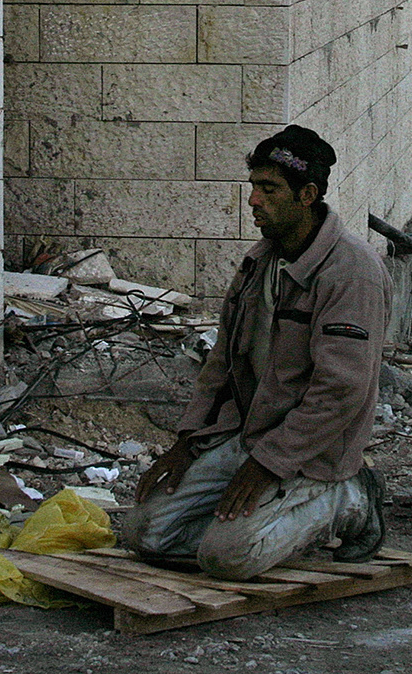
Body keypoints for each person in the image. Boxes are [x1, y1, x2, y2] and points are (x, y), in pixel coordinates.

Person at [119, 125, 392, 580]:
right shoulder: (258, 263)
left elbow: (340, 391)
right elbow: (221, 364)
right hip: (246, 437)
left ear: (307, 195)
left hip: (309, 452)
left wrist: (269, 466)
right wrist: (187, 442)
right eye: (253, 188)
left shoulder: (352, 273)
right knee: (143, 534)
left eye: (269, 190)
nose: (253, 202)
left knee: (229, 558)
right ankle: (247, 526)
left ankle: (349, 499)